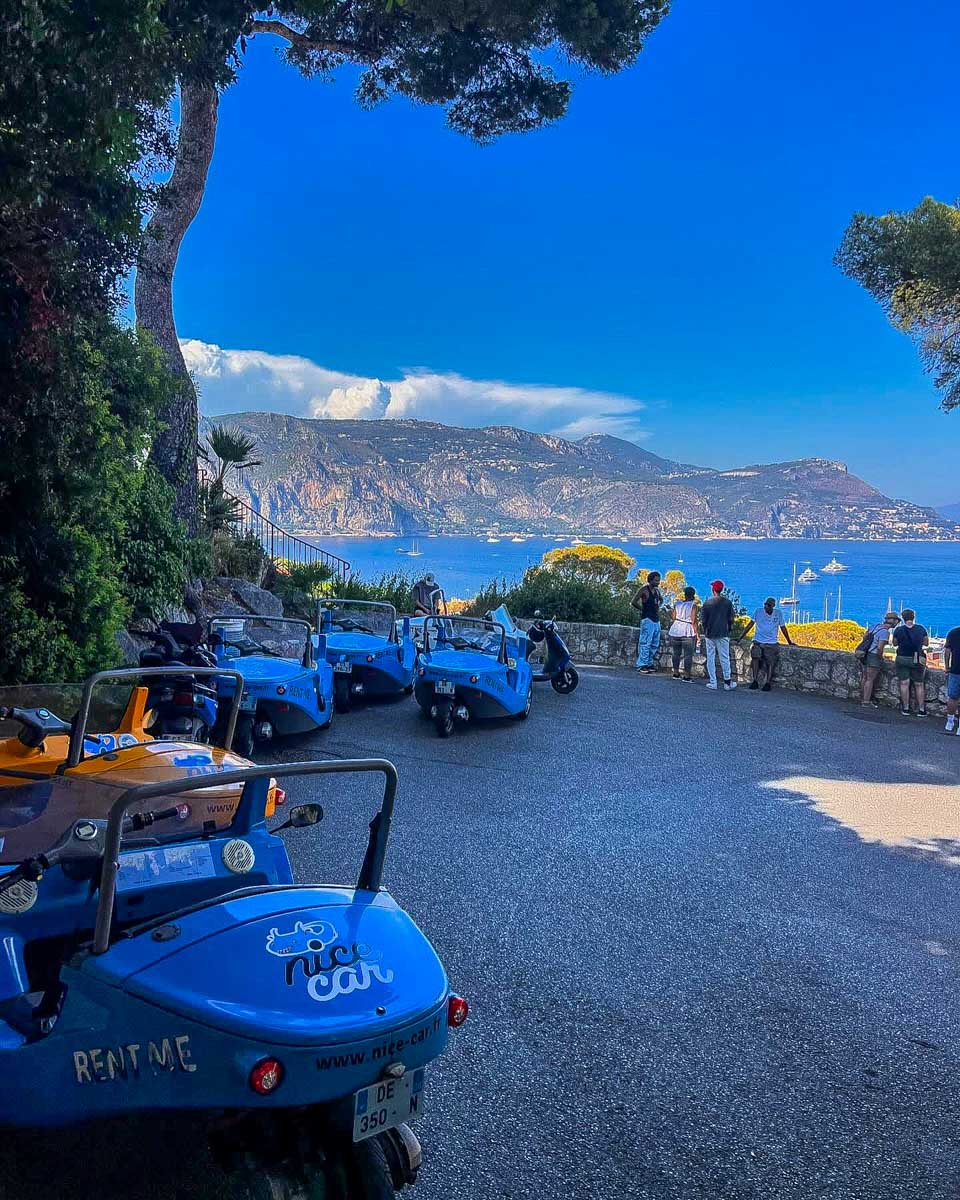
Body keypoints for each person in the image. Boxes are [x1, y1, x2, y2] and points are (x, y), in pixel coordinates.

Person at [738, 596, 793, 691]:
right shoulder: (758, 612)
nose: (766, 607)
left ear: (773, 606)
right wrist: (740, 637)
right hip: (758, 641)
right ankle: (755, 681)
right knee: (755, 657)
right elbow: (750, 625)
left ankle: (768, 683)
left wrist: (789, 641)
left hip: (771, 642)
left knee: (770, 661)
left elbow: (783, 628)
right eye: (765, 604)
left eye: (769, 605)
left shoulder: (778, 614)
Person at [855, 611, 899, 708]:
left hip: (864, 654)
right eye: (897, 621)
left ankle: (862, 698)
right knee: (870, 679)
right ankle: (866, 702)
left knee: (864, 677)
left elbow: (864, 637)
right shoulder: (885, 632)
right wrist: (880, 657)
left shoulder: (874, 626)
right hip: (873, 656)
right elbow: (880, 648)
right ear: (894, 621)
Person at [701, 579, 737, 691]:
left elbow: (703, 620)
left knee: (710, 657)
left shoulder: (707, 603)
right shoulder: (727, 603)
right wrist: (729, 629)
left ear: (713, 589)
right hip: (723, 633)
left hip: (710, 633)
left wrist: (705, 630)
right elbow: (731, 619)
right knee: (724, 658)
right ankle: (727, 682)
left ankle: (713, 682)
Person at [892, 608, 928, 716]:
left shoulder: (899, 630)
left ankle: (906, 708)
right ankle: (921, 709)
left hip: (902, 657)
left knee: (904, 683)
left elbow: (894, 643)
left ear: (903, 618)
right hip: (917, 658)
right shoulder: (921, 629)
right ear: (913, 617)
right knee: (919, 684)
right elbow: (926, 643)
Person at [632, 570, 663, 673]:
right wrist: (642, 609)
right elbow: (634, 602)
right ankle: (642, 664)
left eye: (658, 580)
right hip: (647, 619)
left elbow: (661, 599)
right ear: (650, 580)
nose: (658, 582)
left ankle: (649, 663)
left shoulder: (657, 591)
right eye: (656, 580)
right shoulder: (644, 590)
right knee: (645, 642)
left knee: (654, 643)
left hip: (656, 619)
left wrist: (658, 607)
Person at [668, 586, 700, 681]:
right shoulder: (693, 605)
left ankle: (675, 673)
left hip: (676, 629)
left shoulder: (677, 604)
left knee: (676, 653)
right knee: (688, 655)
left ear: (685, 594)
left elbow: (673, 617)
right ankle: (686, 676)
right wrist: (697, 634)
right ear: (693, 595)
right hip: (687, 631)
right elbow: (693, 620)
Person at [944, 624, 960, 733]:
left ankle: (950, 721)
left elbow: (947, 651)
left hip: (955, 669)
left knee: (952, 697)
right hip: (955, 671)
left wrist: (947, 666)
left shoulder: (953, 632)